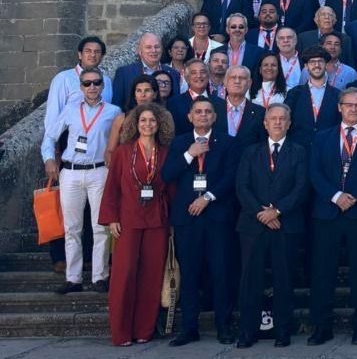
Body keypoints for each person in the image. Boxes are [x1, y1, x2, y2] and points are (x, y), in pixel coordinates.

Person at [307, 87, 357, 345]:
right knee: (323, 273)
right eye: (348, 105)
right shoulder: (323, 137)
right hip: (328, 213)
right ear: (339, 107)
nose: (353, 109)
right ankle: (321, 328)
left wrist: (355, 197)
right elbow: (314, 172)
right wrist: (336, 196)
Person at [98, 102, 173, 346]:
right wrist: (111, 218)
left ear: (159, 124)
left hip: (157, 220)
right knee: (124, 275)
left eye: (152, 120)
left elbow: (172, 188)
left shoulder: (165, 152)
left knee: (152, 275)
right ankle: (120, 332)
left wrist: (173, 221)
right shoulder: (123, 151)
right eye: (143, 121)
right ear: (135, 124)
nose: (148, 124)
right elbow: (112, 188)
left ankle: (144, 329)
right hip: (128, 219)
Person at [163, 98, 237, 346]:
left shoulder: (227, 142)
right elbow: (166, 174)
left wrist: (208, 197)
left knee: (221, 272)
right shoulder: (180, 143)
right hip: (187, 219)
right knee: (190, 273)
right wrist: (188, 155)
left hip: (216, 217)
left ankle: (223, 326)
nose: (203, 115)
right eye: (198, 112)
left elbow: (231, 177)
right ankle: (189, 328)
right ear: (190, 117)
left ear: (215, 117)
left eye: (208, 112)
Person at [235, 103, 307, 348]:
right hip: (253, 226)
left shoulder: (299, 151)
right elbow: (242, 187)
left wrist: (277, 211)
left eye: (282, 118)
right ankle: (247, 331)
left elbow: (301, 187)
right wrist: (261, 213)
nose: (277, 122)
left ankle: (283, 331)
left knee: (283, 280)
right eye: (272, 118)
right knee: (250, 280)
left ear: (289, 123)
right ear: (265, 124)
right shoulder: (250, 152)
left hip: (286, 225)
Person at [43, 66, 120, 295]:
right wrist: (49, 159)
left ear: (103, 86)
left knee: (100, 227)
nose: (92, 87)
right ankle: (73, 278)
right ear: (81, 87)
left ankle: (100, 276)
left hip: (99, 171)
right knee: (72, 227)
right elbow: (50, 136)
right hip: (72, 171)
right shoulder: (69, 109)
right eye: (87, 83)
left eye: (96, 83)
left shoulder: (113, 111)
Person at [284, 46, 340, 148]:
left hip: (328, 149)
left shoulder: (338, 95)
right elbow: (287, 122)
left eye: (320, 61)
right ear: (306, 66)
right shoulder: (294, 94)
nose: (317, 65)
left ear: (326, 65)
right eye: (312, 62)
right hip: (299, 150)